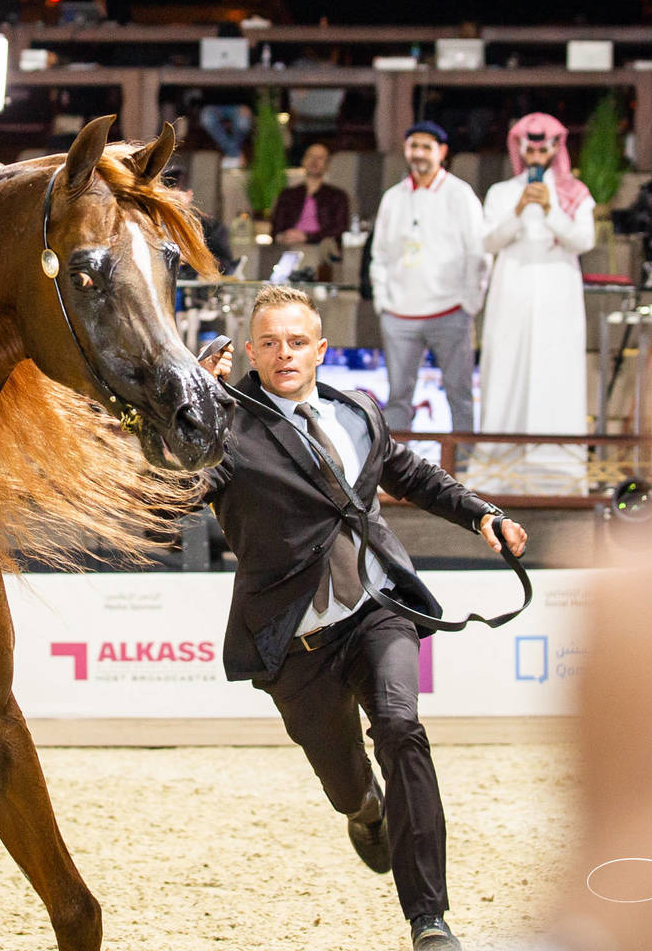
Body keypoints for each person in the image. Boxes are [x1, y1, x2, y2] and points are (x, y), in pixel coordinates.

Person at [197, 285, 526, 951]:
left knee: (402, 728)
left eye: (297, 342)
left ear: (320, 349)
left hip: (377, 608)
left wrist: (482, 515)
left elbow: (412, 474)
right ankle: (365, 810)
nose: (284, 353)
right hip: (295, 639)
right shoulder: (224, 430)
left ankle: (428, 919)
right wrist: (195, 409)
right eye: (270, 343)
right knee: (346, 782)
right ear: (250, 352)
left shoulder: (358, 411)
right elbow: (170, 493)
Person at [478, 115, 595, 492]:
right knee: (506, 369)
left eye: (544, 147)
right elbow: (488, 241)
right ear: (519, 148)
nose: (536, 153)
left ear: (556, 148)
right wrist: (518, 212)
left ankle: (557, 468)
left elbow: (584, 240)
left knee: (556, 372)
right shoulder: (501, 192)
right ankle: (498, 467)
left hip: (558, 296)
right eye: (529, 147)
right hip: (511, 293)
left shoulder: (574, 192)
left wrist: (551, 210)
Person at [364, 121, 489, 442]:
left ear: (442, 151)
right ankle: (396, 467)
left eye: (426, 147)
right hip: (399, 315)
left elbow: (479, 253)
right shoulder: (393, 197)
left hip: (450, 311)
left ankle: (462, 465)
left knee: (459, 395)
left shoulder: (460, 194)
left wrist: (470, 303)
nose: (418, 153)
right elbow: (380, 254)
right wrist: (383, 301)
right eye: (413, 146)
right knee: (398, 399)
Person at [270, 142, 351, 248]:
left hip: (321, 248)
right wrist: (282, 237)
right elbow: (276, 228)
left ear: (327, 165)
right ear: (303, 161)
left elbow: (340, 229)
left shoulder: (337, 196)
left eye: (320, 158)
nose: (314, 161)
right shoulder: (287, 195)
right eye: (311, 156)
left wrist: (307, 237)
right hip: (289, 245)